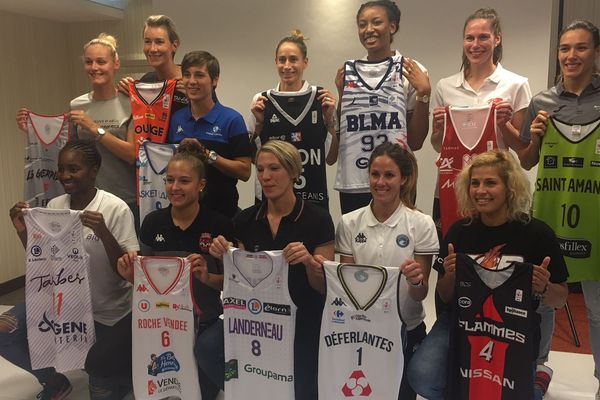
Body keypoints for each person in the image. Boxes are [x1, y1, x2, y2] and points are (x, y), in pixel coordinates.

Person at [408, 150, 568, 400]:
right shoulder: (460, 232)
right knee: (423, 376)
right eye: (475, 183)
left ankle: (537, 380)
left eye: (490, 182)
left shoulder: (537, 234)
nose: (480, 190)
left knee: (514, 392)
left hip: (515, 329)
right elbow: (444, 295)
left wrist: (545, 287)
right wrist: (450, 275)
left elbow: (560, 299)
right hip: (461, 322)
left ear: (510, 187)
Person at [2, 139, 139, 400]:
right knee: (4, 331)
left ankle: (121, 372)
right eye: (61, 168)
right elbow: (41, 260)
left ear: (94, 169)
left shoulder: (114, 208)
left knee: (100, 377)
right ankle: (55, 382)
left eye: (73, 169)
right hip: (63, 308)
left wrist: (103, 232)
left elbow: (127, 271)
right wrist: (22, 229)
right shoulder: (55, 207)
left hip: (107, 313)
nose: (65, 176)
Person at [206, 140, 335, 399]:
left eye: (274, 168)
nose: (265, 176)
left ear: (293, 172)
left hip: (303, 316)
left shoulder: (318, 219)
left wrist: (310, 262)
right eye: (261, 169)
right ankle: (245, 388)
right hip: (255, 317)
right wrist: (223, 254)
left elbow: (323, 287)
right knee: (207, 348)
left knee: (302, 387)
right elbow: (238, 281)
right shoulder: (245, 219)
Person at [518, 20, 600, 399]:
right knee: (543, 300)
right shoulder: (542, 101)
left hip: (595, 221)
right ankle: (538, 367)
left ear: (596, 53)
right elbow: (527, 161)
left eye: (581, 48)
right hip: (549, 215)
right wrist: (532, 138)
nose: (571, 55)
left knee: (598, 311)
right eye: (565, 48)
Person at [116, 139, 233, 400]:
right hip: (158, 320)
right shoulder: (152, 222)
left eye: (183, 181)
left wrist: (208, 276)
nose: (174, 187)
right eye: (169, 180)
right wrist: (129, 274)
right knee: (108, 362)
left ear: (201, 185)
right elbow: (144, 280)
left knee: (200, 391)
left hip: (204, 320)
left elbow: (233, 285)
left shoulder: (220, 224)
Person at [334, 141, 439, 399]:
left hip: (406, 326)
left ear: (403, 179)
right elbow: (349, 287)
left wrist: (416, 281)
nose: (380, 182)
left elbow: (420, 294)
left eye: (389, 175)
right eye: (375, 174)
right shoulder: (349, 222)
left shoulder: (421, 224)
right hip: (360, 328)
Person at [16, 33, 137, 226]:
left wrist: (94, 128)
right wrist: (33, 132)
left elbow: (132, 154)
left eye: (101, 61)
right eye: (89, 62)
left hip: (125, 199)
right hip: (85, 199)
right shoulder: (77, 105)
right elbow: (67, 151)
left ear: (116, 64)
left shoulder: (132, 103)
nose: (94, 68)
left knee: (125, 256)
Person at [431, 7, 532, 235]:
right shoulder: (445, 86)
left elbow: (523, 149)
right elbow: (438, 144)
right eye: (470, 38)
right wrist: (438, 128)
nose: (475, 44)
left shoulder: (515, 84)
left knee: (495, 259)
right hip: (452, 188)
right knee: (451, 260)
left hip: (497, 191)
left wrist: (503, 124)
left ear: (497, 39)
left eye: (483, 37)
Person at [334, 0, 431, 213]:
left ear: (392, 26)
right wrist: (342, 95)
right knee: (357, 243)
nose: (368, 29)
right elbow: (341, 133)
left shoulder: (410, 70)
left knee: (400, 241)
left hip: (397, 179)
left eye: (376, 22)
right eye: (362, 24)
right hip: (356, 179)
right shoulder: (346, 73)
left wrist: (424, 94)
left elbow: (415, 141)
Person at [248, 30, 338, 209]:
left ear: (305, 63)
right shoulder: (261, 100)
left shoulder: (321, 98)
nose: (287, 66)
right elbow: (253, 159)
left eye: (293, 59)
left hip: (314, 198)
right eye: (282, 60)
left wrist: (329, 121)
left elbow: (330, 158)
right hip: (271, 202)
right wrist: (258, 126)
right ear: (275, 62)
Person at [167, 50, 252, 219]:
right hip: (183, 216)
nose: (191, 81)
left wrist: (207, 155)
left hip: (222, 213)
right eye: (187, 75)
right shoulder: (175, 119)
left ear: (215, 80)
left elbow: (244, 172)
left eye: (199, 75)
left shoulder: (232, 119)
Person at [118, 15, 189, 113]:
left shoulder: (192, 81)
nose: (152, 49)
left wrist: (197, 100)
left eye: (159, 42)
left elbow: (213, 122)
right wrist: (127, 89)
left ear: (175, 45)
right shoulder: (147, 81)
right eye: (147, 42)